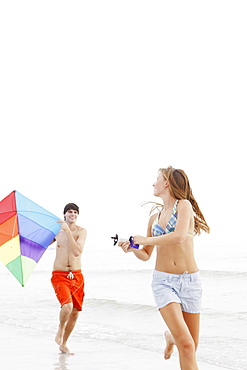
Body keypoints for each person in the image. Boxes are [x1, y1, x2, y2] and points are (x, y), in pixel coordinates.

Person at [119, 166, 210, 370]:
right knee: (186, 345)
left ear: (167, 183)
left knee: (192, 347)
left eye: (157, 179)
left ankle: (170, 337)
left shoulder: (184, 206)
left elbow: (178, 238)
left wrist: (146, 239)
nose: (154, 183)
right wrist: (133, 248)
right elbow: (146, 254)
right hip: (164, 282)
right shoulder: (153, 219)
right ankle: (174, 338)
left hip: (190, 282)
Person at [51, 203, 87, 355]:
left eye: (75, 212)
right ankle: (60, 328)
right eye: (69, 212)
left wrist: (68, 232)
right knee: (67, 306)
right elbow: (40, 243)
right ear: (64, 214)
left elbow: (77, 251)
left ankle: (64, 344)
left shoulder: (81, 231)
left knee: (75, 312)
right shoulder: (56, 232)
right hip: (60, 275)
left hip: (76, 275)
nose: (72, 214)